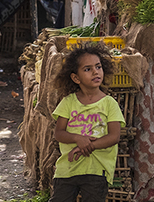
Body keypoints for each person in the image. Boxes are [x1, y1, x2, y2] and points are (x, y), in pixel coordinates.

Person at [50, 43, 125, 202]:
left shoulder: (109, 103)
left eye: (98, 67)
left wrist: (89, 145)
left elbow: (114, 136)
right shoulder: (68, 102)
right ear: (76, 78)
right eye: (87, 69)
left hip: (96, 169)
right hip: (67, 168)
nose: (95, 71)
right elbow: (59, 133)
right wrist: (78, 139)